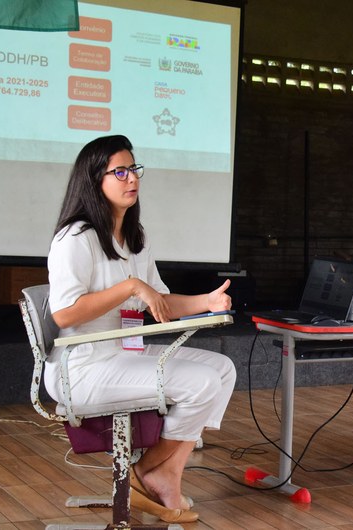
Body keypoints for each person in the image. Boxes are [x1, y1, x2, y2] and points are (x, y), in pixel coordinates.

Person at [45, 134, 236, 522]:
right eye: (120, 171)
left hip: (124, 351)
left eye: (134, 169)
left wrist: (207, 302)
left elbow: (159, 303)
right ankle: (155, 473)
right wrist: (131, 286)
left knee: (222, 370)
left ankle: (161, 471)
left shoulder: (135, 239)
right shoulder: (75, 239)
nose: (131, 178)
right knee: (201, 383)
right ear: (94, 179)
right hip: (82, 367)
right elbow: (64, 314)